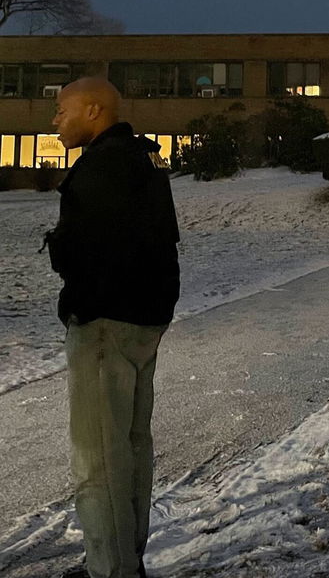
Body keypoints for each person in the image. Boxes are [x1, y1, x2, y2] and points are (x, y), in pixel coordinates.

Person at [44, 76, 180, 578]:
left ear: (94, 110)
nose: (55, 121)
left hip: (105, 323)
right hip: (146, 318)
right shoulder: (143, 160)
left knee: (98, 454)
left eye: (62, 110)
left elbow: (85, 250)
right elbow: (159, 242)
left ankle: (110, 569)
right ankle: (126, 559)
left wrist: (76, 296)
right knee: (130, 444)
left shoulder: (101, 166)